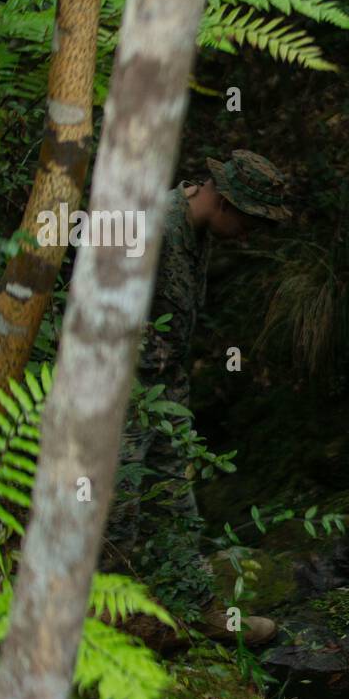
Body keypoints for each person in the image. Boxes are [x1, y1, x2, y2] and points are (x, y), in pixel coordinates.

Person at [109, 150, 291, 645]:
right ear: (226, 203)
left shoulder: (197, 231)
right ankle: (114, 620)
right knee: (117, 505)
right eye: (250, 222)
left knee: (174, 501)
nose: (250, 235)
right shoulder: (154, 227)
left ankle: (193, 605)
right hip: (120, 392)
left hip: (164, 390)